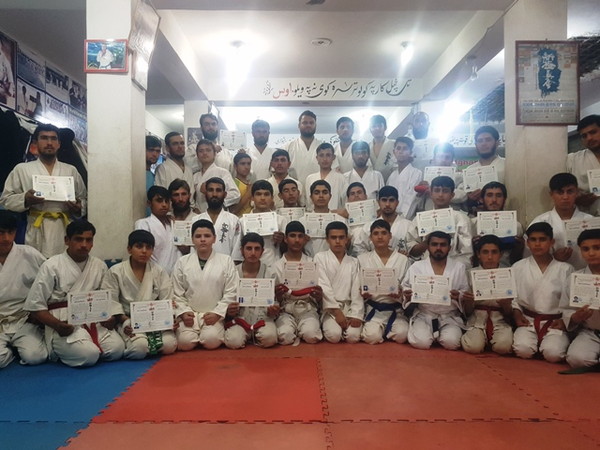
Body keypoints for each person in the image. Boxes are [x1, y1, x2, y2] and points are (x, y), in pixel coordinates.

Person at [24, 220, 125, 367]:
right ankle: (62, 347)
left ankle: (84, 347)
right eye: (78, 239)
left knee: (117, 350)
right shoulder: (51, 266)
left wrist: (111, 317)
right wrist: (57, 325)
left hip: (94, 320)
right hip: (63, 322)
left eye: (88, 240)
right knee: (88, 355)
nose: (84, 244)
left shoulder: (99, 265)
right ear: (67, 240)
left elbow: (107, 298)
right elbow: (35, 306)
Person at [0, 123, 87, 258]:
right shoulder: (22, 169)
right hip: (36, 226)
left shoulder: (70, 170)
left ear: (59, 144)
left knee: (63, 265)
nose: (49, 143)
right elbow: (5, 200)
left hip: (63, 227)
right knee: (35, 264)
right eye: (44, 138)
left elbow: (84, 199)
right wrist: (25, 199)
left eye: (53, 138)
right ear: (35, 143)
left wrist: (78, 208)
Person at [100, 230, 177, 359]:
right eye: (139, 246)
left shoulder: (159, 271)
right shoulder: (116, 271)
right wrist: (125, 321)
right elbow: (111, 302)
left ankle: (146, 344)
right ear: (129, 249)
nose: (144, 251)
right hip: (128, 321)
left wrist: (169, 319)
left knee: (169, 345)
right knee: (139, 348)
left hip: (155, 321)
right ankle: (133, 344)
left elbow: (167, 299)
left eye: (149, 247)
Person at [172, 219, 239, 350]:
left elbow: (231, 291)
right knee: (184, 343)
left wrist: (218, 313)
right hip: (190, 316)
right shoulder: (182, 262)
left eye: (207, 236)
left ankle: (206, 334)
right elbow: (177, 292)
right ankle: (194, 333)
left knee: (211, 340)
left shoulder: (226, 261)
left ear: (214, 238)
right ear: (192, 239)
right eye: (198, 236)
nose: (202, 240)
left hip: (214, 315)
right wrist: (184, 312)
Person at [512, 222, 573, 363]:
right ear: (527, 243)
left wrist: (564, 320)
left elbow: (571, 301)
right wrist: (517, 313)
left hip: (554, 322)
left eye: (542, 239)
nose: (537, 244)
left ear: (552, 242)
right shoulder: (518, 267)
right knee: (522, 350)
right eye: (533, 240)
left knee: (553, 354)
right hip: (528, 320)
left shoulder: (566, 269)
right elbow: (513, 297)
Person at [402, 231, 469, 350]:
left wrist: (458, 295)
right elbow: (405, 287)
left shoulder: (459, 268)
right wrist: (407, 294)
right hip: (424, 315)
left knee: (451, 343)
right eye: (434, 244)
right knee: (421, 343)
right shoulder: (417, 267)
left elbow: (465, 291)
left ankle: (440, 335)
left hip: (449, 316)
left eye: (443, 245)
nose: (438, 248)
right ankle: (430, 334)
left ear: (449, 248)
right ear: (428, 247)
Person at [0, 211, 47, 368]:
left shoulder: (30, 254)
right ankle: (10, 352)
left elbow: (49, 284)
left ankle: (17, 345)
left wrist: (39, 313)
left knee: (36, 356)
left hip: (24, 319)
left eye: (10, 232)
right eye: (1, 233)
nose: (6, 238)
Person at [358, 219, 410, 344]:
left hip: (396, 310)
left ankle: (386, 330)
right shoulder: (362, 259)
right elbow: (358, 287)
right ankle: (381, 330)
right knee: (372, 337)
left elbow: (407, 287)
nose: (380, 237)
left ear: (390, 236)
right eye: (376, 233)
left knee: (402, 335)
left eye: (384, 233)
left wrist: (400, 295)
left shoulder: (403, 260)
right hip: (374, 308)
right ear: (370, 237)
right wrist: (363, 294)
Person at [461, 235, 513, 355]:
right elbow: (467, 312)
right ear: (478, 254)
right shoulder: (470, 274)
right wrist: (469, 302)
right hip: (476, 320)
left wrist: (506, 305)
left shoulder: (508, 274)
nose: (490, 257)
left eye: (494, 252)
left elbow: (510, 313)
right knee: (473, 347)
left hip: (500, 320)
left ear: (501, 254)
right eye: (485, 252)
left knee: (503, 347)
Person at [224, 233, 278, 349]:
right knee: (234, 341)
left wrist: (273, 309)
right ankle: (245, 335)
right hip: (240, 318)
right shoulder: (233, 273)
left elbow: (277, 300)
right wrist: (229, 311)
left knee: (269, 338)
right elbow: (225, 298)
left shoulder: (271, 273)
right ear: (241, 250)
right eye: (249, 248)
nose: (253, 253)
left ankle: (254, 336)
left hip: (263, 318)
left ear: (262, 251)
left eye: (257, 249)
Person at [272, 221, 323, 345]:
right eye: (292, 236)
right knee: (285, 337)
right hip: (286, 309)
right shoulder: (276, 266)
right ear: (285, 239)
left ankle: (302, 330)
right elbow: (275, 300)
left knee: (311, 335)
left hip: (308, 308)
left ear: (305, 239)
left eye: (300, 236)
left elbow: (319, 294)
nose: (297, 240)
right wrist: (278, 296)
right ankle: (294, 330)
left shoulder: (312, 263)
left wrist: (318, 296)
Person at [529, 173, 592, 270]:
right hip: (552, 275)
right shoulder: (540, 222)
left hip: (586, 275)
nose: (565, 197)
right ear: (551, 194)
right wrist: (552, 257)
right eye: (560, 192)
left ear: (577, 192)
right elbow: (529, 256)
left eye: (570, 191)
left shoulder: (590, 221)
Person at [408, 176, 473, 268]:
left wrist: (447, 268)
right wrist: (427, 242)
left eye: (445, 191)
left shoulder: (461, 219)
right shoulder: (420, 218)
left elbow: (467, 253)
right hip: (426, 268)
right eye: (437, 190)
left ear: (452, 195)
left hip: (453, 269)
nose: (440, 195)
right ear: (431, 193)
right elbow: (411, 250)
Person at [314, 221, 363, 344]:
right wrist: (337, 312)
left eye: (341, 237)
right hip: (330, 309)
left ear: (347, 239)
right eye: (333, 237)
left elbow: (357, 290)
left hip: (349, 307)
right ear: (327, 239)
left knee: (353, 337)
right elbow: (323, 286)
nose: (337, 241)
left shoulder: (354, 262)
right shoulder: (320, 258)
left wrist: (355, 314)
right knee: (334, 336)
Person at [562, 229, 600, 369]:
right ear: (580, 251)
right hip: (590, 331)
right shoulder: (575, 279)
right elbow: (565, 309)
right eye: (586, 249)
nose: (591, 253)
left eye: (597, 248)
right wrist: (575, 317)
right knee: (576, 359)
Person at [471, 181, 524, 267]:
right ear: (481, 199)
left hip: (507, 269)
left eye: (499, 195)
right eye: (489, 195)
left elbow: (516, 259)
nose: (494, 200)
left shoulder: (516, 226)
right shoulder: (472, 224)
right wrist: (473, 247)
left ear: (505, 199)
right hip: (478, 270)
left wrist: (519, 248)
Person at [191, 177, 242, 262]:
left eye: (218, 190)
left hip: (226, 267)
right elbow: (193, 251)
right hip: (201, 267)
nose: (214, 194)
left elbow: (236, 255)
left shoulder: (234, 220)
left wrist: (229, 268)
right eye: (210, 190)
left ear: (225, 194)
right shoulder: (195, 220)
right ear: (205, 194)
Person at [353, 186, 414, 256]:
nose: (387, 204)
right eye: (384, 200)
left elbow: (414, 251)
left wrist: (405, 256)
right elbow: (358, 247)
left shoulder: (408, 226)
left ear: (397, 203)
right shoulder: (368, 227)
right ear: (378, 202)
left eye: (391, 200)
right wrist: (371, 259)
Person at [134, 186, 181, 275]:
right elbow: (142, 253)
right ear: (149, 203)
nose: (164, 205)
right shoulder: (144, 224)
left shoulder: (174, 223)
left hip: (176, 275)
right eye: (159, 201)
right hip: (153, 274)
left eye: (167, 201)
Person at [241, 180, 287, 266]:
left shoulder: (281, 220)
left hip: (273, 265)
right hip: (250, 266)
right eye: (258, 194)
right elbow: (239, 249)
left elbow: (287, 249)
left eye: (266, 194)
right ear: (252, 198)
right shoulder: (242, 221)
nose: (262, 198)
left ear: (272, 197)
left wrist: (281, 241)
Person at [461, 126, 505, 211]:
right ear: (476, 145)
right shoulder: (470, 170)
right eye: (480, 141)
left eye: (488, 140)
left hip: (503, 214)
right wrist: (470, 198)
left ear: (497, 143)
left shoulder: (506, 165)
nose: (483, 144)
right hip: (476, 215)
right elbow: (464, 198)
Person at [415, 142, 466, 212]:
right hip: (429, 213)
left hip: (452, 214)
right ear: (434, 158)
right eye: (440, 156)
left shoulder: (458, 176)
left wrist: (435, 191)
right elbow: (419, 204)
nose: (443, 160)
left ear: (452, 160)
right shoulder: (426, 175)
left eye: (447, 157)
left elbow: (463, 196)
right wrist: (420, 193)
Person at [192, 139, 240, 213]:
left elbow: (236, 194)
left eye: (208, 150)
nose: (204, 153)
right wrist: (194, 209)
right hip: (199, 214)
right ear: (197, 155)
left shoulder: (222, 172)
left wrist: (213, 194)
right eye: (201, 151)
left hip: (218, 213)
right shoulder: (195, 176)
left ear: (214, 154)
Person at [301, 180, 347, 257]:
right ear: (311, 197)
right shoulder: (302, 221)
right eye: (317, 193)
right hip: (309, 260)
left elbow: (347, 245)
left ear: (330, 196)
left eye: (325, 192)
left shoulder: (340, 220)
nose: (321, 196)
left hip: (334, 261)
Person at [566, 114, 600, 215]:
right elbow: (563, 189)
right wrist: (576, 197)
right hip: (587, 218)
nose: (589, 138)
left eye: (593, 132)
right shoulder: (573, 160)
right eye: (584, 136)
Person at [154, 132, 195, 209]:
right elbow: (161, 195)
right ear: (167, 148)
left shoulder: (189, 169)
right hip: (170, 213)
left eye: (182, 143)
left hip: (190, 212)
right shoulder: (162, 168)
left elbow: (192, 195)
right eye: (175, 144)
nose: (180, 146)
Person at [386, 136, 423, 220]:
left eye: (405, 148)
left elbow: (412, 199)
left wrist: (401, 218)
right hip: (390, 217)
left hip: (407, 218)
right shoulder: (392, 175)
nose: (401, 151)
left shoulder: (416, 173)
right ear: (394, 152)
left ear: (410, 152)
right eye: (398, 148)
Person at [284, 110, 323, 182]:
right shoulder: (288, 147)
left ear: (315, 125)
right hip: (293, 188)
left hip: (319, 188)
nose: (308, 125)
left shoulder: (323, 146)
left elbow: (332, 170)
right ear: (299, 125)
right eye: (305, 123)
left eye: (311, 123)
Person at [305, 143, 346, 211]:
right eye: (321, 155)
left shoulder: (341, 178)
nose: (324, 159)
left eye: (328, 155)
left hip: (335, 215)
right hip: (314, 216)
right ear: (317, 158)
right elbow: (309, 203)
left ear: (333, 157)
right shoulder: (310, 178)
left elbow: (345, 202)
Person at [368, 114, 396, 182]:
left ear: (385, 127)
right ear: (370, 129)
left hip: (391, 181)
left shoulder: (394, 144)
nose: (377, 128)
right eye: (373, 126)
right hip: (372, 182)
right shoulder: (367, 147)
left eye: (379, 126)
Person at [146, 135, 162, 202]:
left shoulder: (154, 175)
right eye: (151, 150)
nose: (155, 154)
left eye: (158, 151)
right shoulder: (134, 174)